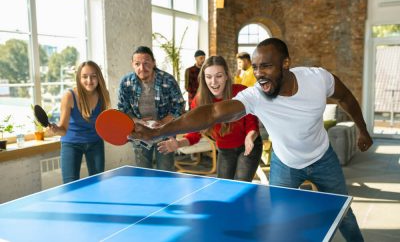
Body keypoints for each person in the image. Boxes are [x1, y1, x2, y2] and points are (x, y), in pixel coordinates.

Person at [132, 38, 373, 242]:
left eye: (266, 66)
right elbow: (212, 113)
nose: (258, 74)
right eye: (255, 67)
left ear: (285, 64)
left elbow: (346, 98)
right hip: (285, 164)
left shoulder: (318, 79)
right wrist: (158, 131)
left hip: (322, 158)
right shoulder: (256, 95)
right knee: (280, 218)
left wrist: (362, 130)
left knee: (344, 215)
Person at [158, 56, 263, 182]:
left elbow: (252, 124)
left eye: (218, 76)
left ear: (226, 76)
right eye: (208, 77)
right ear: (203, 78)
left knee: (241, 183)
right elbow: (194, 134)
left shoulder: (241, 92)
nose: (213, 82)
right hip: (225, 150)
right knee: (223, 186)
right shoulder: (198, 102)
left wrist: (250, 136)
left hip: (249, 145)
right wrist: (178, 144)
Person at [117, 46, 185, 171]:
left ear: (154, 62)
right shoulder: (126, 83)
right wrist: (138, 121)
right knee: (143, 172)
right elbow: (122, 109)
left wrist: (163, 122)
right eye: (137, 64)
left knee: (165, 172)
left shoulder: (168, 80)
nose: (142, 68)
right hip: (140, 133)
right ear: (132, 64)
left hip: (165, 132)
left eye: (146, 63)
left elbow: (179, 106)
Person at [48, 60, 111, 184]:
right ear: (79, 78)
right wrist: (55, 130)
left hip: (95, 142)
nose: (89, 80)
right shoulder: (69, 96)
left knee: (98, 183)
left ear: (99, 77)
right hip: (71, 144)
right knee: (70, 185)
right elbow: (63, 129)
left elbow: (104, 123)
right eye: (85, 76)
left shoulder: (103, 94)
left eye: (93, 76)